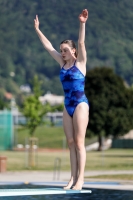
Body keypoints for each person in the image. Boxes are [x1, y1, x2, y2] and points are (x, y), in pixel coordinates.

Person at [34, 9, 89, 190]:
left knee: (79, 142)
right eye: (61, 51)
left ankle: (80, 179)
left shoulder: (80, 62)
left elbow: (81, 42)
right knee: (70, 142)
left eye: (65, 50)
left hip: (80, 103)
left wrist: (82, 23)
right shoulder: (62, 64)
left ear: (73, 51)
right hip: (68, 104)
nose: (62, 52)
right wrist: (38, 30)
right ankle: (72, 179)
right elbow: (48, 46)